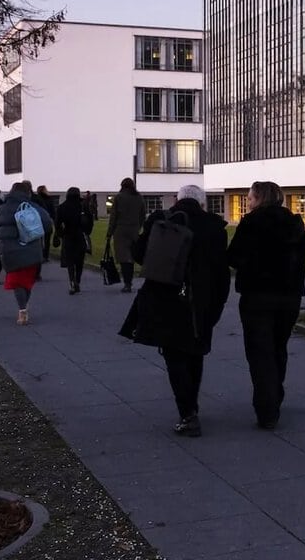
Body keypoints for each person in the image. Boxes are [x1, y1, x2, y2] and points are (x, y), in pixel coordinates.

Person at [119, 185, 231, 437]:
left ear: (176, 200)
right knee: (195, 352)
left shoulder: (160, 220)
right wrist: (217, 305)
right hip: (199, 301)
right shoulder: (214, 228)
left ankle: (188, 412)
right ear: (202, 204)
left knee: (173, 355)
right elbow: (221, 272)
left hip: (163, 299)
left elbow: (139, 255)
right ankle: (191, 406)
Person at [227, 180, 305, 430]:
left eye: (250, 198)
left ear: (260, 198)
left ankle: (267, 408)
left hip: (258, 295)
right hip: (289, 296)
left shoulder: (251, 223)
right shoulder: (295, 223)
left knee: (259, 352)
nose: (247, 202)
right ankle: (275, 395)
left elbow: (234, 257)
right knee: (278, 347)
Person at [0, 181, 51, 325]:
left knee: (17, 280)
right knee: (27, 281)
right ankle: (23, 306)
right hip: (31, 249)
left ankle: (22, 308)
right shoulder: (32, 207)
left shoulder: (2, 209)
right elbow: (47, 223)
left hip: (9, 250)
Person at [105, 177, 146, 293]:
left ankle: (127, 283)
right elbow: (143, 214)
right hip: (134, 230)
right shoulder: (138, 198)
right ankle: (129, 281)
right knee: (131, 257)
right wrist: (138, 226)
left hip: (121, 230)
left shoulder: (119, 198)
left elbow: (113, 217)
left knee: (124, 258)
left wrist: (109, 233)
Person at [53, 187, 93, 294]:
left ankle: (71, 280)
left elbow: (57, 223)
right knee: (80, 261)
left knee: (70, 261)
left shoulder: (62, 207)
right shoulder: (83, 206)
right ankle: (78, 281)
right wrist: (87, 232)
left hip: (68, 236)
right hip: (80, 235)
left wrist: (61, 234)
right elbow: (90, 221)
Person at [34, 185, 57, 275]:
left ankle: (41, 254)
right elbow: (52, 210)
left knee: (40, 238)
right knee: (47, 238)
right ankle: (45, 255)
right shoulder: (48, 199)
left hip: (38, 221)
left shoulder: (36, 199)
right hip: (47, 220)